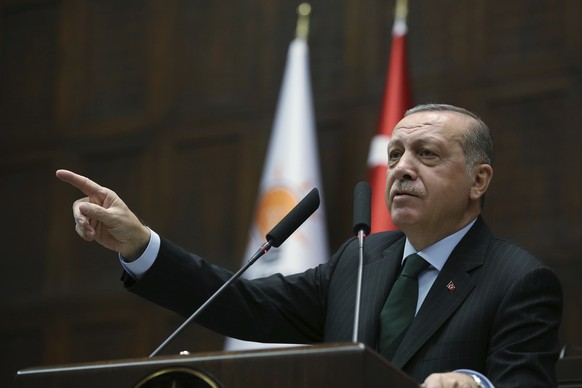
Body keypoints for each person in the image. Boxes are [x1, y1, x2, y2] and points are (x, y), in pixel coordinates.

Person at [56, 103, 562, 387]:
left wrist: (477, 385)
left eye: (426, 154)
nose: (403, 167)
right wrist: (141, 244)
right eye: (395, 154)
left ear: (479, 180)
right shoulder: (361, 259)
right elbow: (244, 304)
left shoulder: (519, 281)